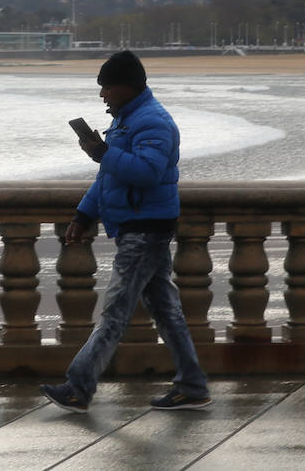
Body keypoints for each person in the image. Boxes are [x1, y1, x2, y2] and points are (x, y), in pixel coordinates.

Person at [40, 50, 210, 413]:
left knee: (116, 311)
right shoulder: (126, 119)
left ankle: (78, 387)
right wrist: (84, 214)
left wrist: (103, 152)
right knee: (166, 312)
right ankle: (193, 385)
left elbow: (147, 172)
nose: (102, 95)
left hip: (145, 229)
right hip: (139, 225)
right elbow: (109, 177)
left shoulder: (152, 122)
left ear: (125, 87)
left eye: (106, 88)